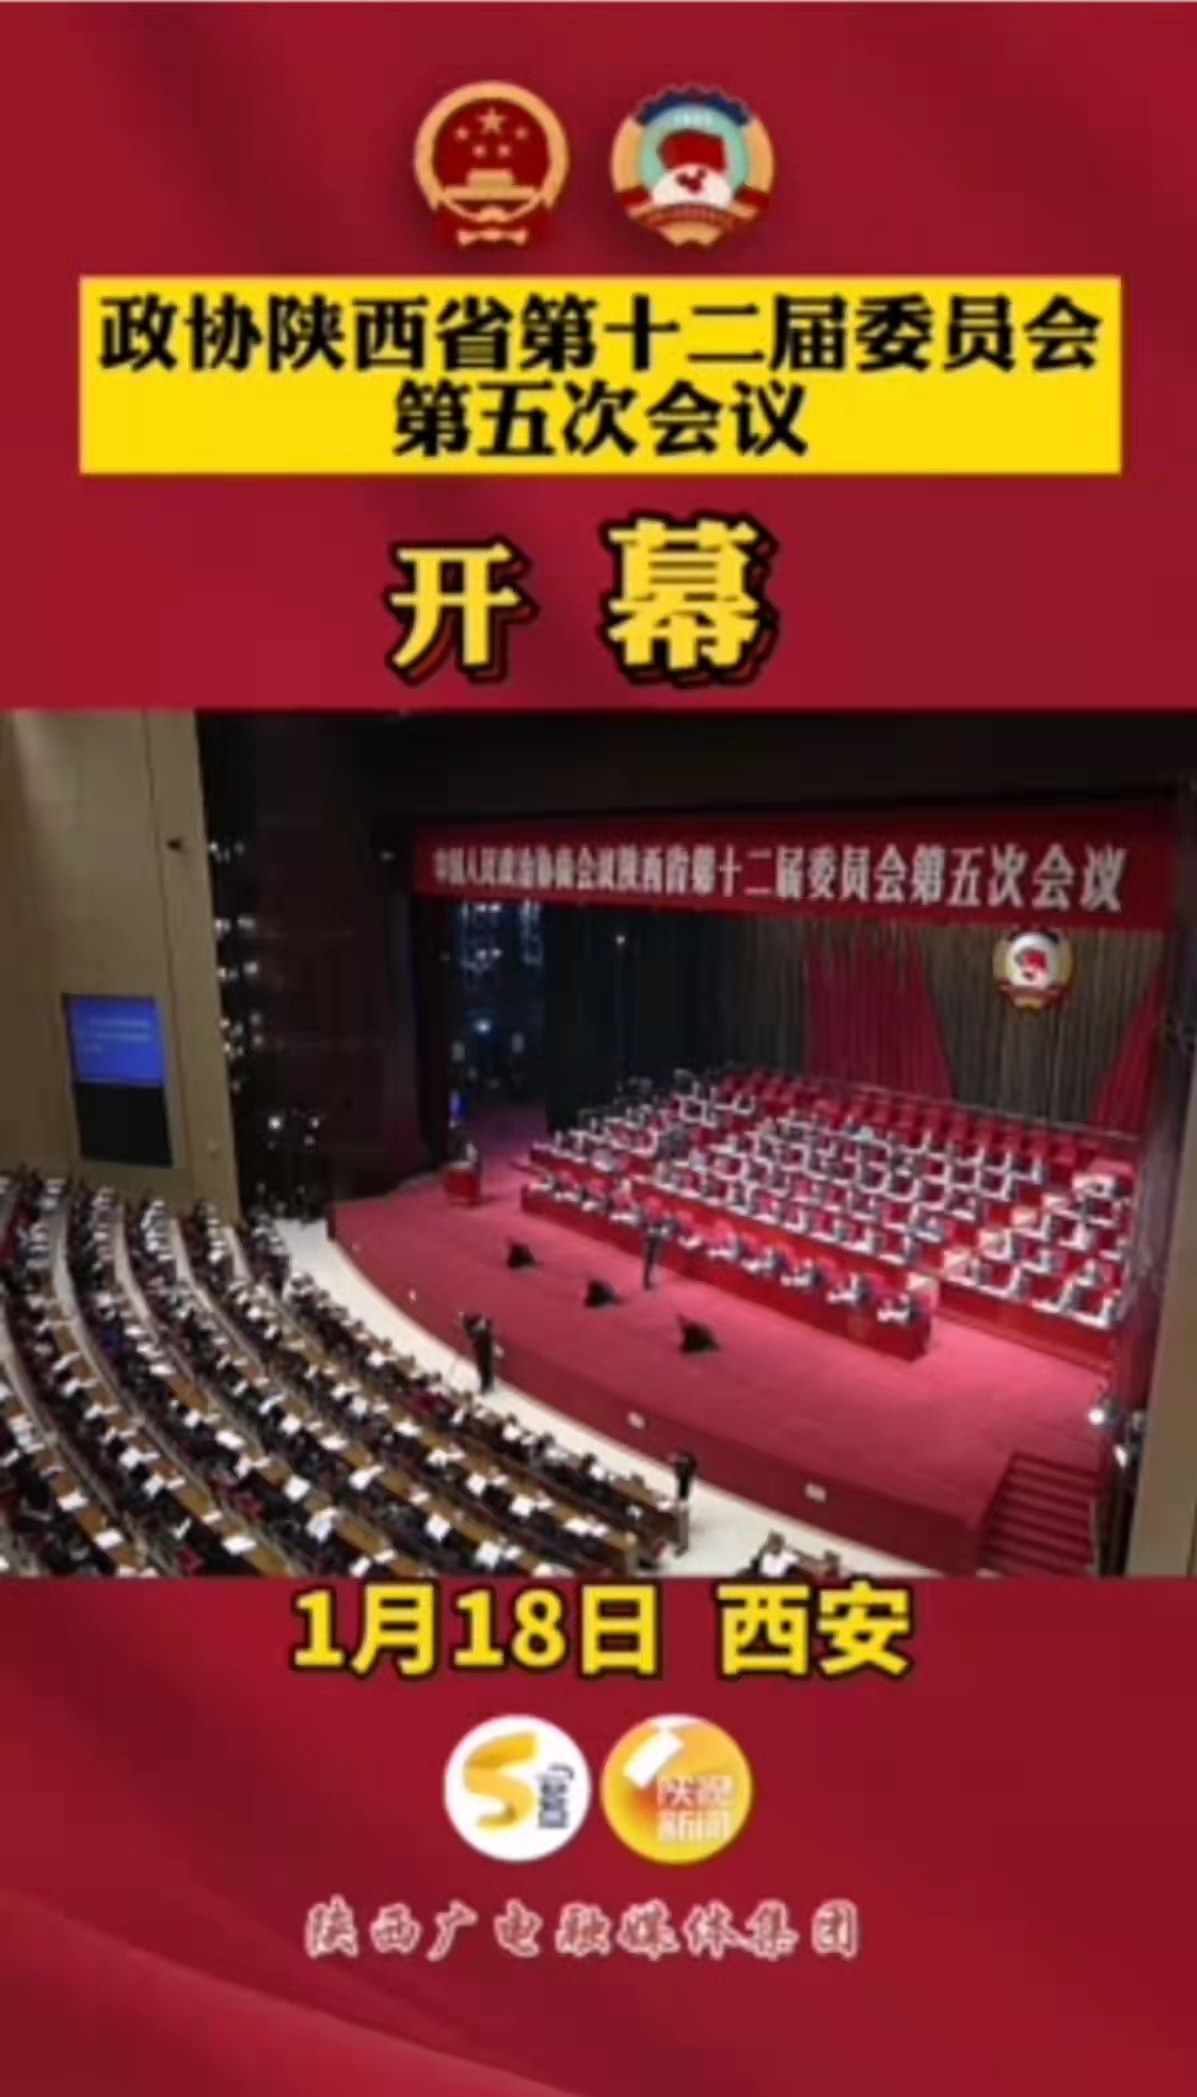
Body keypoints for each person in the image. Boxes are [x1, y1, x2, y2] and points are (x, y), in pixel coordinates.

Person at [461, 1311, 497, 1394]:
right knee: (486, 1364)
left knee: (484, 1365)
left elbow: (475, 1337)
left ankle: (486, 1384)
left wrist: (473, 1339)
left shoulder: (479, 1326)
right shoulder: (471, 1322)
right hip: (482, 1345)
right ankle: (487, 1383)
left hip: (483, 1347)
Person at [642, 1217, 669, 1291]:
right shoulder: (653, 1230)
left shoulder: (654, 1229)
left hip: (653, 1248)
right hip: (650, 1248)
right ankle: (647, 1281)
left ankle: (648, 1280)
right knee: (649, 1264)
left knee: (650, 1264)